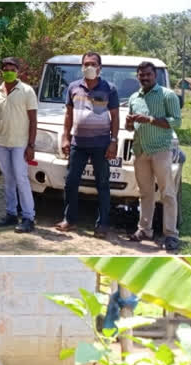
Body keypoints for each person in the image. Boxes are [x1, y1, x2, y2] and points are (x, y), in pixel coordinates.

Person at [55, 51, 119, 238]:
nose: (89, 67)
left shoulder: (109, 88)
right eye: (86, 64)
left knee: (102, 184)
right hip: (78, 144)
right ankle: (70, 219)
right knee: (71, 182)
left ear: (100, 67)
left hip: (101, 144)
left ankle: (102, 224)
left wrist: (113, 142)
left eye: (93, 64)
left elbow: (115, 117)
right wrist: (66, 137)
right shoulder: (74, 87)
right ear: (81, 66)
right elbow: (68, 114)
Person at [126, 61, 182, 251]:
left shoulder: (168, 95)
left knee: (167, 193)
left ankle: (171, 235)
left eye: (148, 74)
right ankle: (144, 230)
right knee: (145, 193)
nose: (145, 78)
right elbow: (131, 126)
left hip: (160, 150)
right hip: (140, 150)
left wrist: (150, 120)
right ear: (138, 76)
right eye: (141, 75)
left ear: (155, 75)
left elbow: (176, 122)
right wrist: (128, 123)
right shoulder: (134, 97)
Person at [0, 57, 38, 234]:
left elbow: (33, 120)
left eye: (12, 68)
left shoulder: (27, 91)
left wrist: (31, 145)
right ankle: (10, 214)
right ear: (1, 71)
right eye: (5, 68)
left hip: (20, 144)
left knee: (22, 179)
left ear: (18, 71)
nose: (8, 71)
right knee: (8, 180)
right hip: (1, 143)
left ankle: (28, 217)